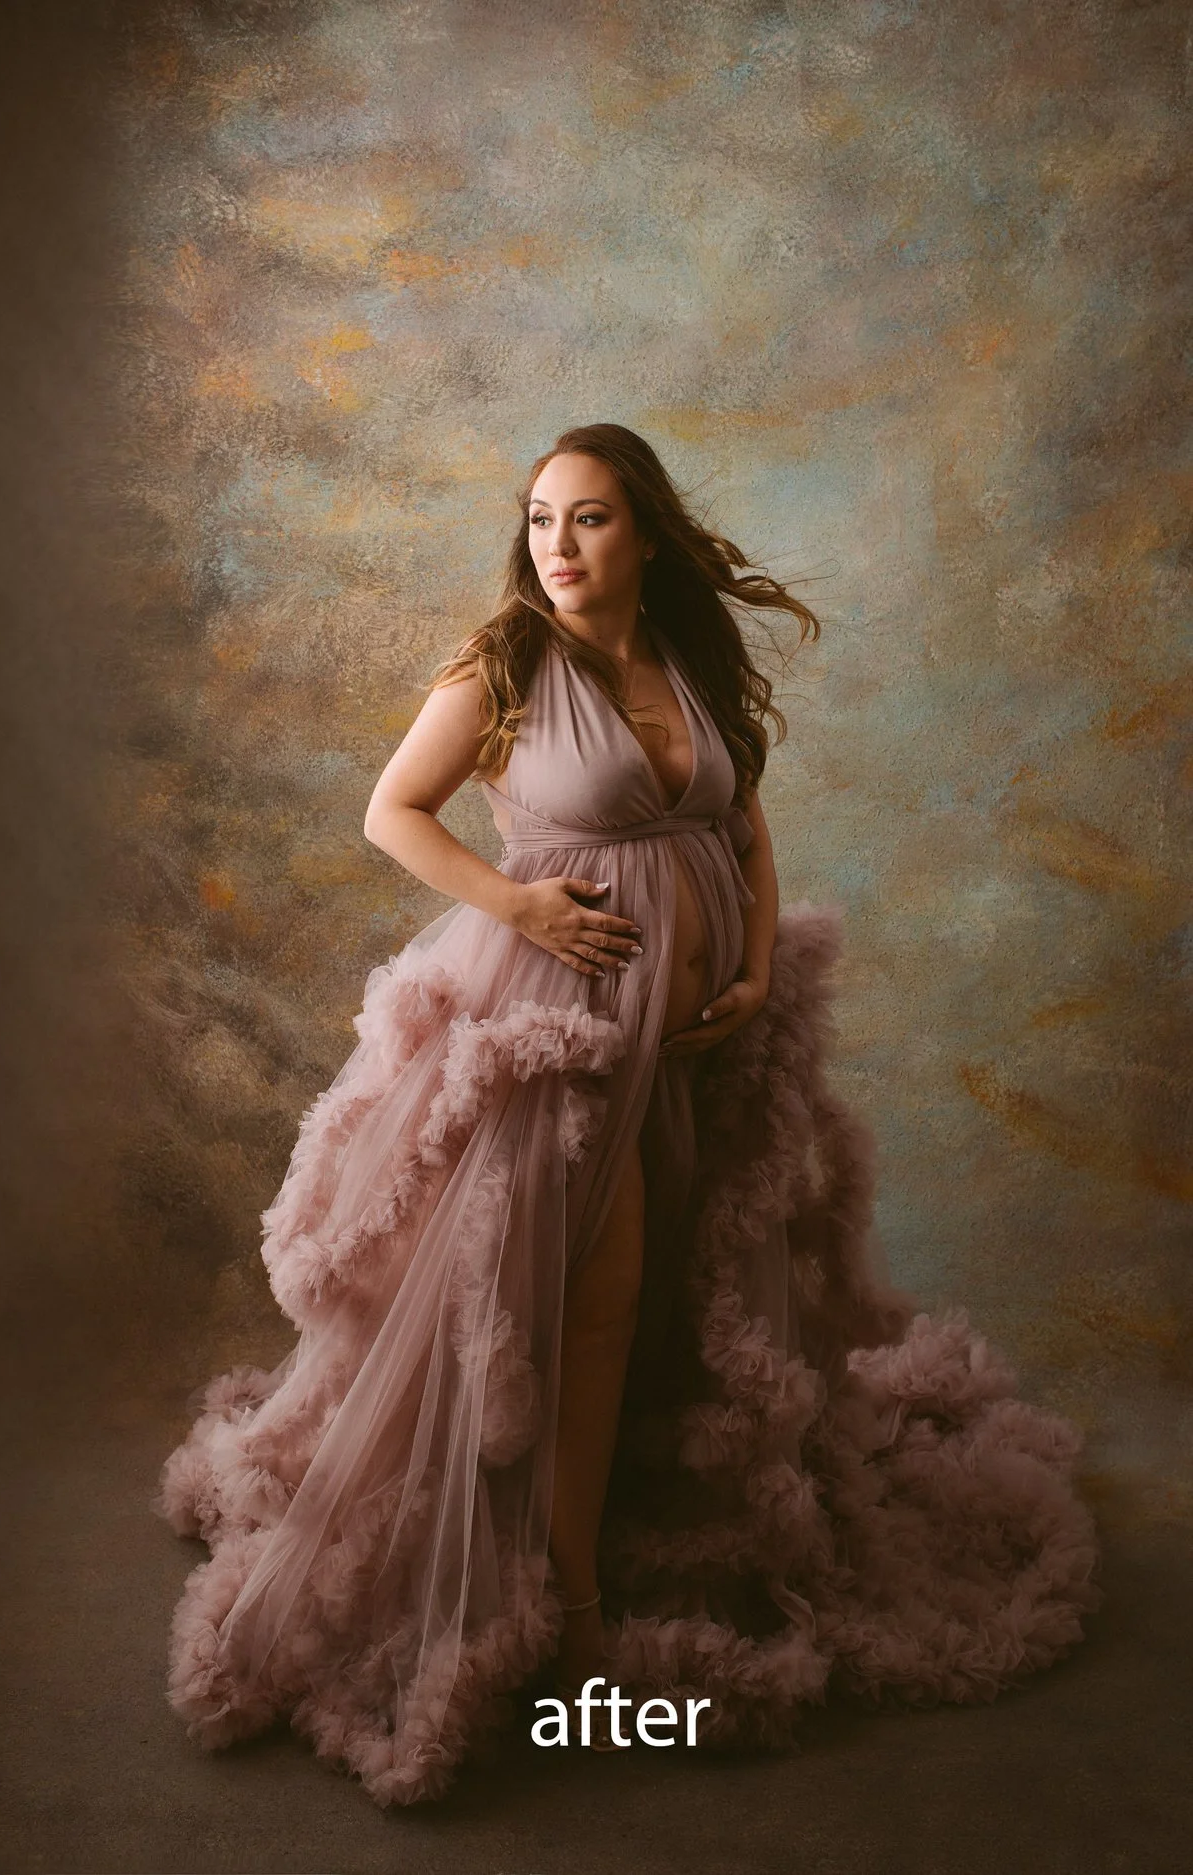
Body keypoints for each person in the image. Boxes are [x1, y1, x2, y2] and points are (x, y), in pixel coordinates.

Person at [159, 424, 1096, 1804]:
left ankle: (600, 1527)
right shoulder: (504, 670)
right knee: (582, 1299)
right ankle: (570, 1612)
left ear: (645, 536)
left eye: (589, 519)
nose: (557, 544)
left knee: (678, 1296)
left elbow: (746, 832)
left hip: (696, 1045)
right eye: (541, 519)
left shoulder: (684, 667)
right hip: (562, 1031)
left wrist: (758, 959)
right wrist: (522, 901)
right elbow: (393, 810)